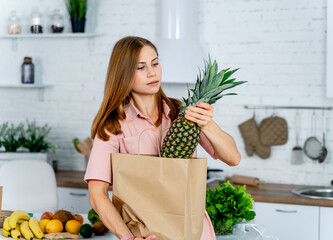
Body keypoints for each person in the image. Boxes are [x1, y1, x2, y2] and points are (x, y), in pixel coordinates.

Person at [84, 36, 241, 240]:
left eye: (155, 63)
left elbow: (233, 158)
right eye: (140, 67)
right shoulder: (113, 126)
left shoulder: (182, 114)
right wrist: (127, 237)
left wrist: (207, 123)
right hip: (147, 234)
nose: (152, 72)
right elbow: (97, 194)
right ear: (123, 74)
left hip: (193, 230)